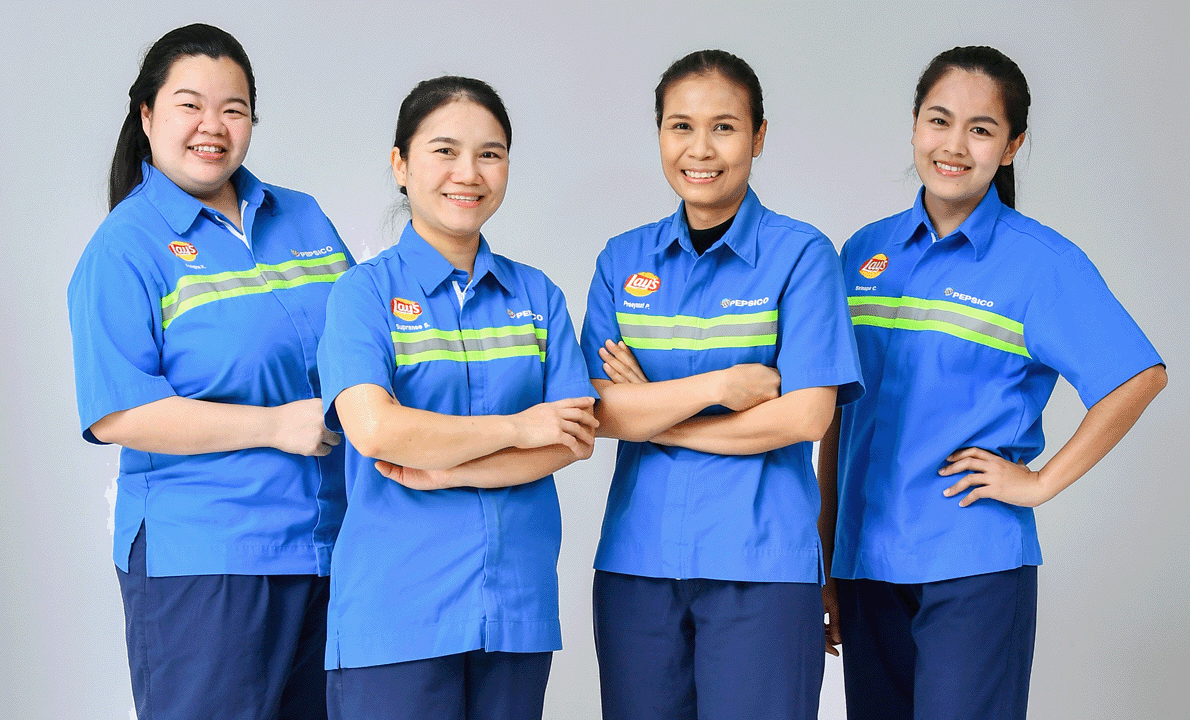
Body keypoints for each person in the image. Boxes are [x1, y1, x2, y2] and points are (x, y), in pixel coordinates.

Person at [822, 45, 1167, 720]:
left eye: (980, 129)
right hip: (864, 564)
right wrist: (827, 550)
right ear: (915, 126)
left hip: (972, 566)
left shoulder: (1038, 264)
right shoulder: (863, 252)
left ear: (1011, 146)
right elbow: (836, 415)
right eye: (939, 120)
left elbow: (1137, 375)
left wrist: (1037, 483)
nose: (954, 145)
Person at [67, 23, 352, 720]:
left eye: (233, 108)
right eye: (190, 105)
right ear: (147, 115)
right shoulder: (126, 248)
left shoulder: (302, 217)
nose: (212, 127)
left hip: (330, 545)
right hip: (207, 560)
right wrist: (275, 425)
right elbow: (120, 412)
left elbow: (363, 339)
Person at [580, 50, 864, 720]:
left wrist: (655, 409)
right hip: (636, 565)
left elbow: (803, 418)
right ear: (659, 136)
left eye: (724, 127)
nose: (700, 149)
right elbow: (598, 410)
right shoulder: (622, 261)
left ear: (759, 136)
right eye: (680, 126)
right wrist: (724, 385)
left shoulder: (802, 256)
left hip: (762, 568)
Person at [317, 75, 598, 720]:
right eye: (444, 150)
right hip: (395, 617)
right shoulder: (363, 295)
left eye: (490, 154)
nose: (467, 173)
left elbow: (571, 438)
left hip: (514, 609)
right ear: (401, 165)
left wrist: (443, 471)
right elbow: (376, 430)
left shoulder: (538, 296)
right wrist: (519, 429)